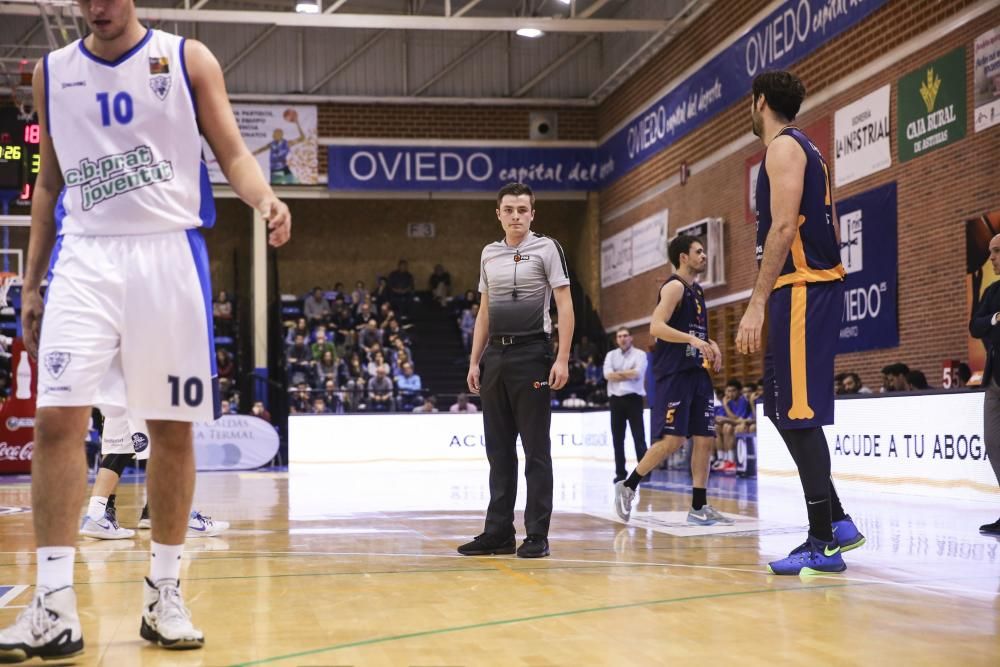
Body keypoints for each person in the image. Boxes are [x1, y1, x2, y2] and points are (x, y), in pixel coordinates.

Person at [0, 2, 291, 660]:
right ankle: (53, 606)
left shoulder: (188, 60)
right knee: (56, 421)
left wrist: (264, 197)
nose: (97, 8)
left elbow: (234, 153)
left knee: (169, 428)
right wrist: (35, 279)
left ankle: (165, 593)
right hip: (85, 254)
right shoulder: (53, 72)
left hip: (166, 255)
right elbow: (48, 181)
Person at [735, 70, 863, 576]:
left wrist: (756, 302)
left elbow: (786, 226)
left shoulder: (785, 148)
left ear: (760, 101)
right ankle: (838, 520)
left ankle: (822, 543)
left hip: (804, 287)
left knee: (801, 414)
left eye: (751, 101)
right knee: (781, 411)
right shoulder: (793, 148)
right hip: (796, 290)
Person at [459, 182, 574, 560]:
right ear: (498, 214)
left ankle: (537, 534)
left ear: (532, 213)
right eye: (509, 210)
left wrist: (561, 357)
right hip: (496, 357)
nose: (516, 216)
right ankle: (498, 533)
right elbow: (485, 312)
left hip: (533, 355)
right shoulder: (488, 254)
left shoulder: (548, 248)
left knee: (536, 450)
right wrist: (475, 360)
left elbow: (564, 305)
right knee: (499, 450)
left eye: (522, 210)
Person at [614, 236, 733, 526]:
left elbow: (695, 334)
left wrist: (711, 345)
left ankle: (698, 506)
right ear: (683, 257)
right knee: (673, 440)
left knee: (705, 438)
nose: (704, 256)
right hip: (674, 374)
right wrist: (694, 339)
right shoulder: (674, 287)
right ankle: (628, 486)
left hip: (696, 372)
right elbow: (656, 327)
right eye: (699, 251)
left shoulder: (698, 291)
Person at [79, 416, 229, 541]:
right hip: (147, 388)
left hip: (117, 389)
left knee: (117, 448)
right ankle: (180, 517)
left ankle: (96, 514)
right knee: (169, 442)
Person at [968, 233, 1000, 535]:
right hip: (994, 379)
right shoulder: (992, 291)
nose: (992, 257)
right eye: (991, 251)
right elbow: (976, 325)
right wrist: (996, 319)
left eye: (997, 251)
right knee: (994, 444)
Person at [603, 327, 648, 484]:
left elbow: (637, 373)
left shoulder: (640, 354)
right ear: (617, 339)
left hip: (634, 399)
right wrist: (627, 373)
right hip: (615, 400)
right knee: (618, 439)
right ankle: (620, 473)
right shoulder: (611, 355)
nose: (622, 338)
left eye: (625, 336)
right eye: (619, 336)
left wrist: (618, 374)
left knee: (639, 437)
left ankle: (644, 472)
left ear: (631, 338)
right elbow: (607, 375)